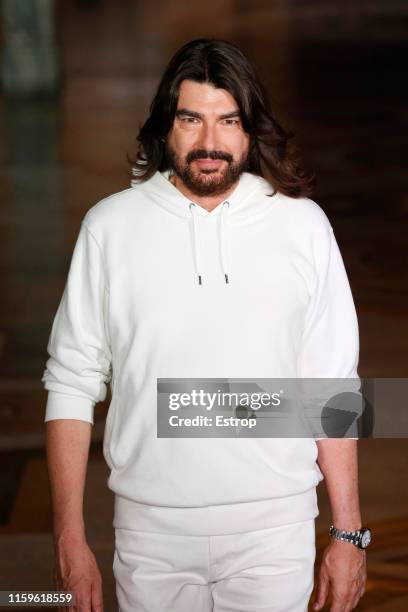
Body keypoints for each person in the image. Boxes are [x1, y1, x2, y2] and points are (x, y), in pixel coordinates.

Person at [42, 38, 370, 612]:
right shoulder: (110, 228)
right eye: (191, 120)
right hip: (151, 536)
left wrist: (348, 534)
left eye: (229, 121)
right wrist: (70, 539)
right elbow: (70, 384)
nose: (210, 143)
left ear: (251, 129)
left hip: (276, 532)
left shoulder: (304, 226)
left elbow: (332, 384)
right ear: (166, 126)